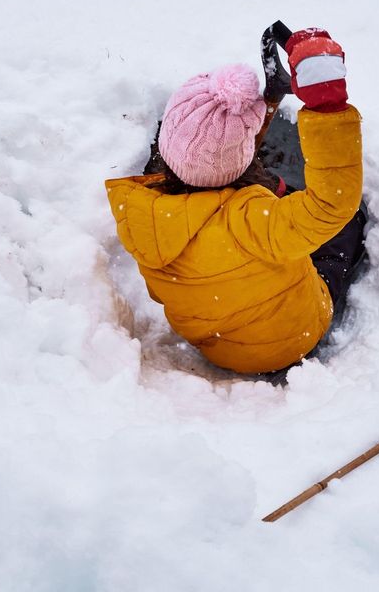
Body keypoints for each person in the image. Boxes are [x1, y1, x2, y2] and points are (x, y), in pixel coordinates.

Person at [105, 28, 365, 376]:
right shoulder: (253, 219)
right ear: (239, 162)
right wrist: (327, 106)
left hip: (220, 349)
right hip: (293, 337)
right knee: (345, 228)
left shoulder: (140, 215)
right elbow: (331, 206)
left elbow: (208, 175)